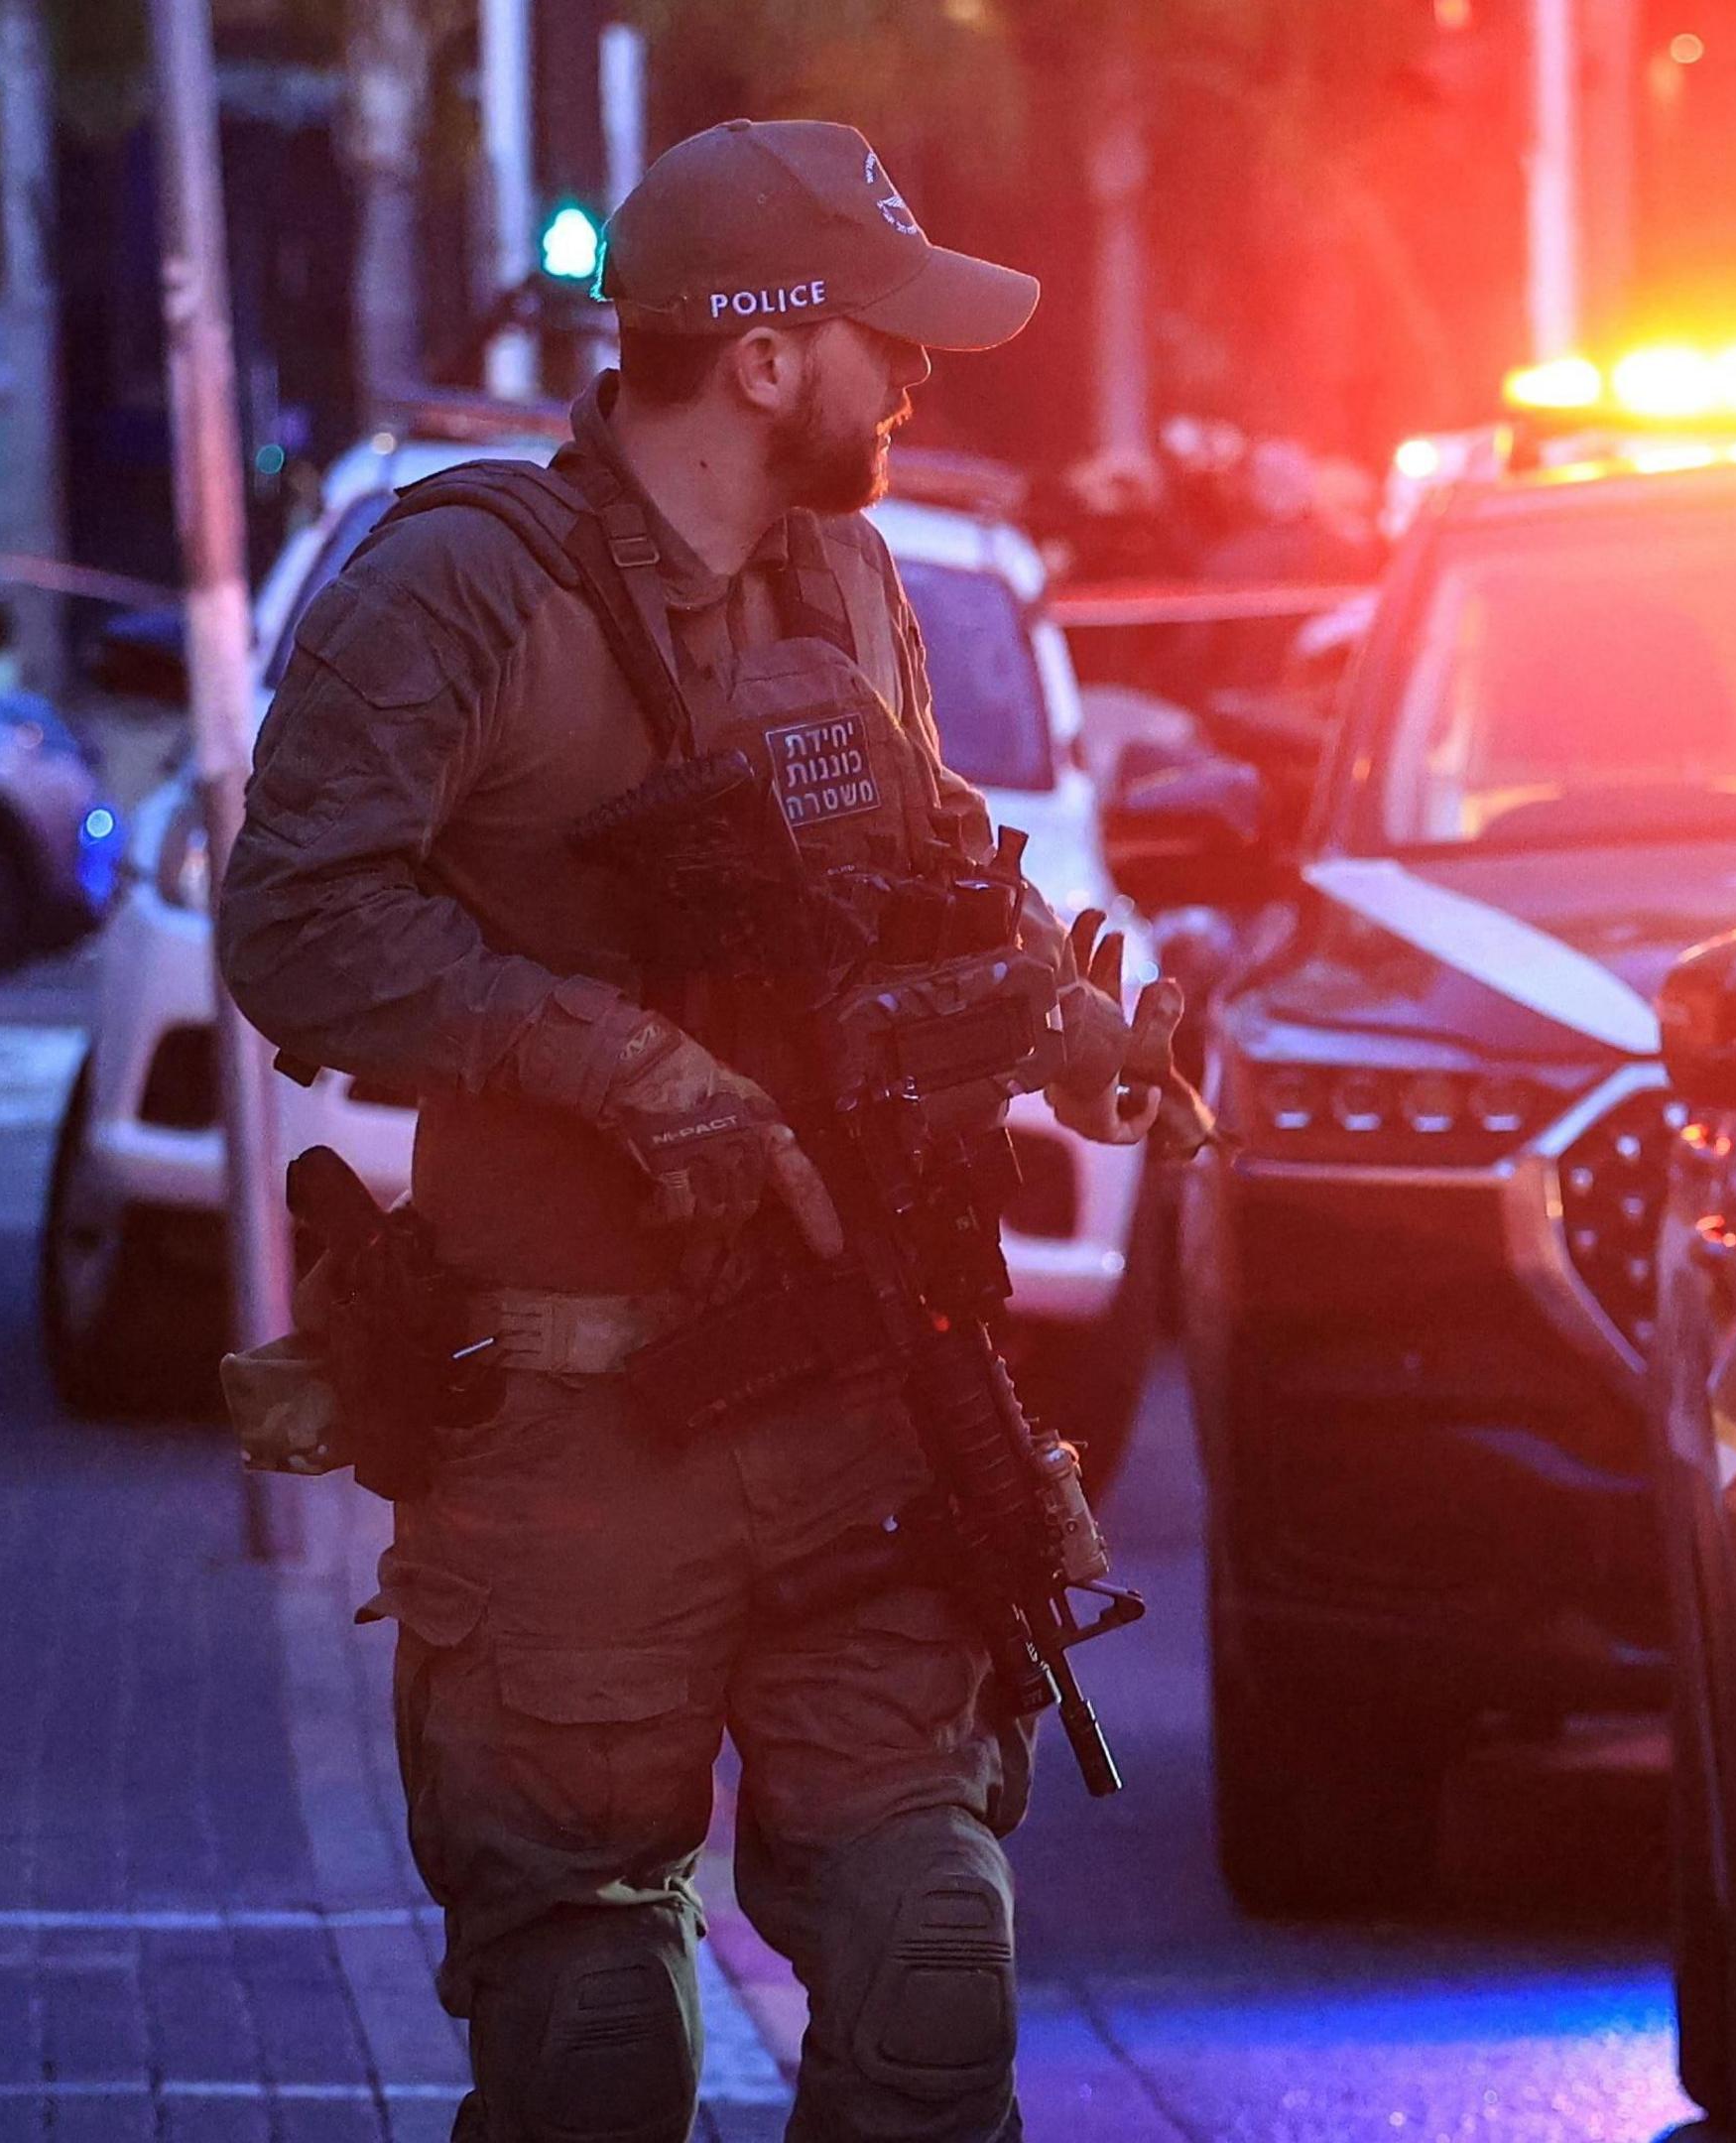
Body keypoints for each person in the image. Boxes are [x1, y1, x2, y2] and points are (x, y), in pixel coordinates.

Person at [216, 118, 1177, 2143]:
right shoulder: (467, 587)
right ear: (756, 357)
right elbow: (296, 926)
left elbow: (925, 869)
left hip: (858, 1405)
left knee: (930, 1959)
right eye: (877, 337)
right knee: (591, 2044)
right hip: (577, 1437)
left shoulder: (845, 574)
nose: (914, 381)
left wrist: (1065, 1020)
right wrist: (618, 1062)